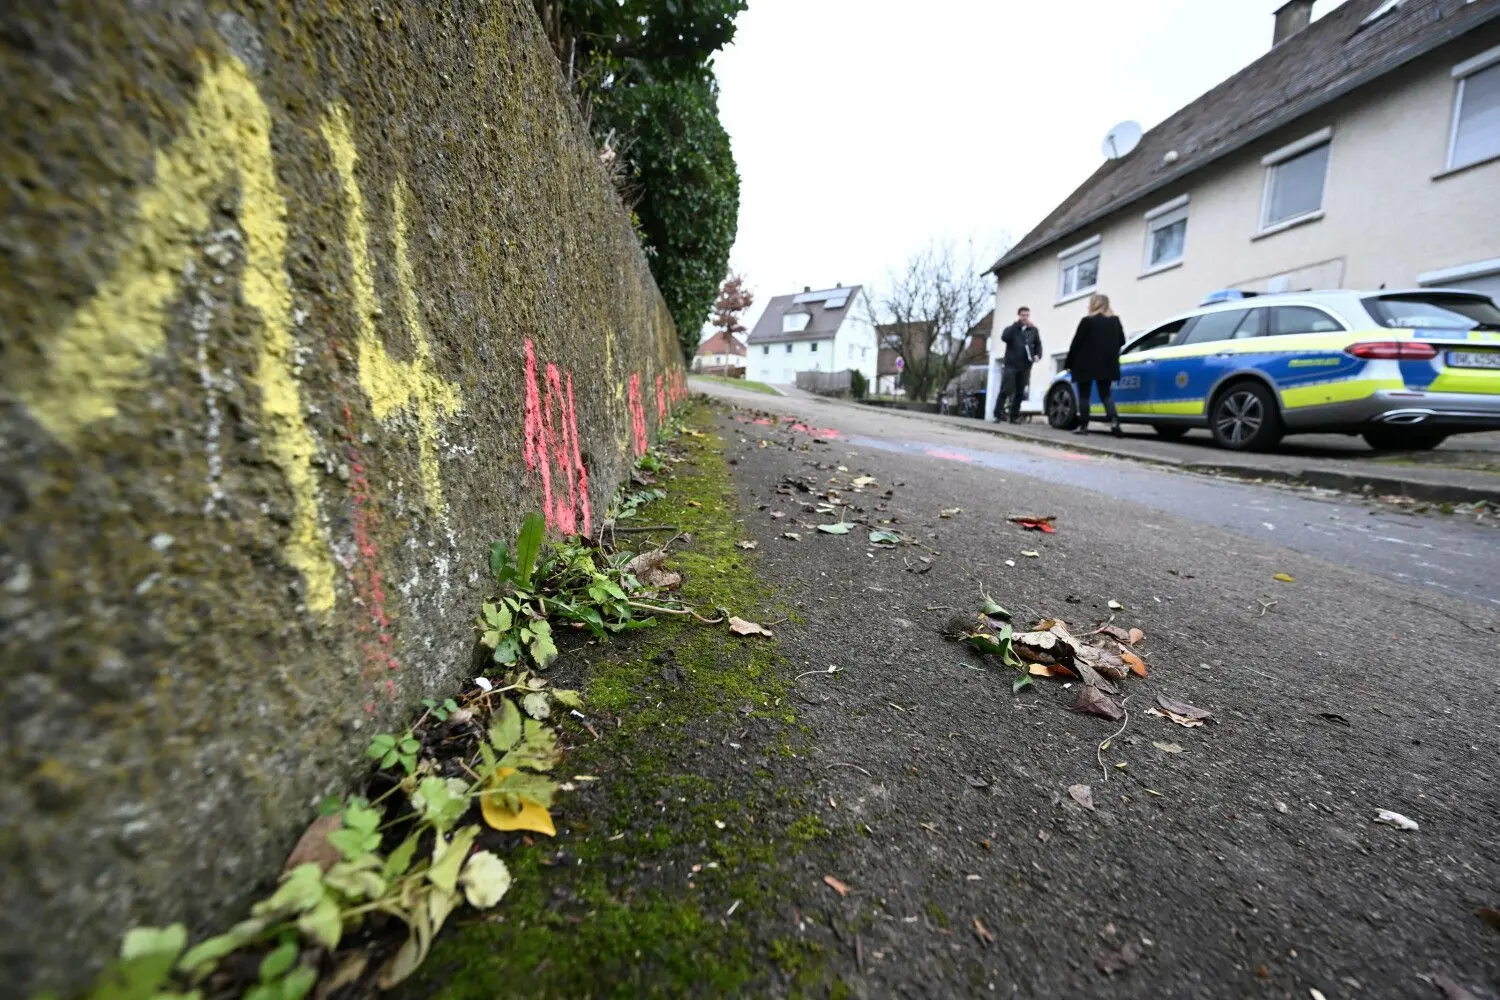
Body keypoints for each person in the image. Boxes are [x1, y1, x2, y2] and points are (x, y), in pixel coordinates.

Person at [1065, 293, 1126, 437]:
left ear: (1095, 304)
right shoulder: (1115, 321)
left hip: (1085, 362)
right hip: (1107, 362)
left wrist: (1069, 363)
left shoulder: (1087, 321)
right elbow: (1122, 341)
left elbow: (1076, 344)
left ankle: (1084, 427)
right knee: (1106, 394)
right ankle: (1115, 422)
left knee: (1084, 395)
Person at [996, 307, 1042, 423]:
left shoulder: (1033, 330)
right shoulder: (1012, 329)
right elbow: (1004, 337)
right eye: (1023, 315)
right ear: (1018, 316)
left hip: (1025, 365)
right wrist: (1016, 325)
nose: (1025, 318)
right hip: (1011, 365)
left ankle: (1014, 416)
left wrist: (1037, 355)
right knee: (1006, 389)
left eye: (1027, 315)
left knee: (1020, 392)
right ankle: (997, 415)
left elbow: (1038, 344)